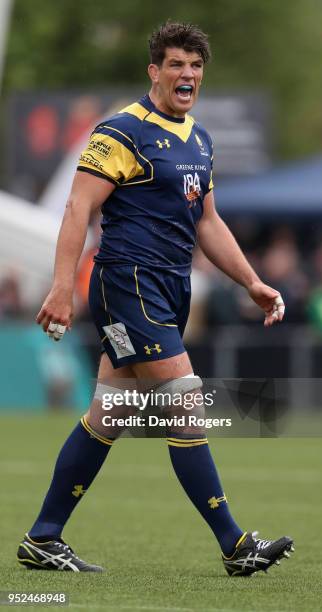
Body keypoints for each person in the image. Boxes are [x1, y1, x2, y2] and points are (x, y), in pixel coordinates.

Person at [17, 22, 293, 576]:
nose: (186, 74)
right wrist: (59, 288)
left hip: (168, 288)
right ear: (154, 71)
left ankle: (44, 537)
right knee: (184, 406)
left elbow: (208, 223)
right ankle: (236, 546)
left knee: (110, 414)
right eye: (175, 64)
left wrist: (251, 281)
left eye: (194, 65)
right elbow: (77, 209)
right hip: (129, 285)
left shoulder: (199, 139)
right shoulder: (121, 131)